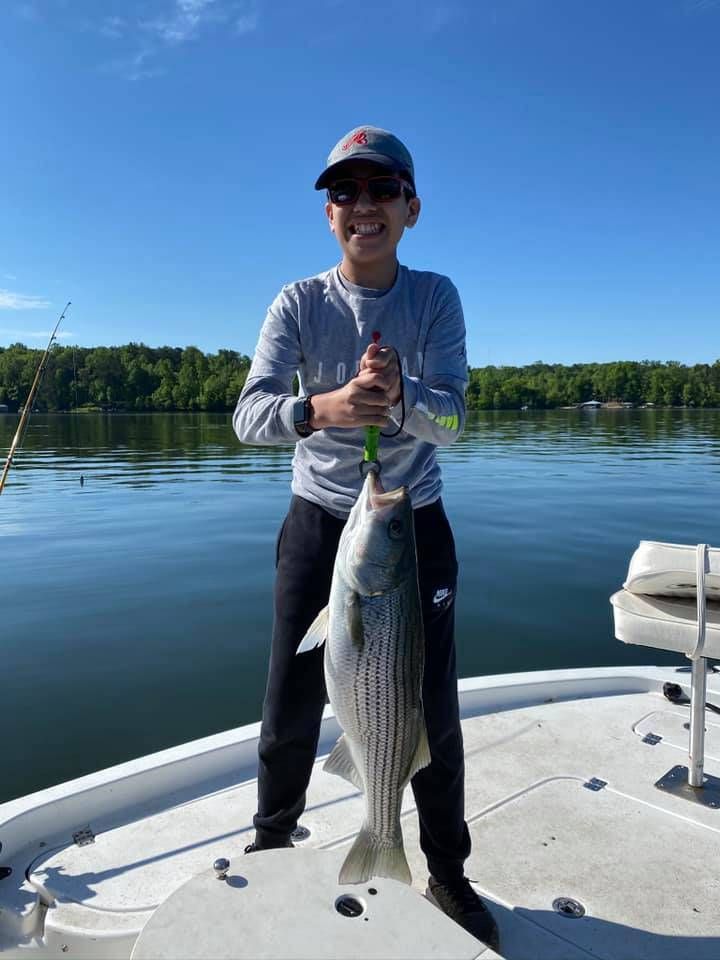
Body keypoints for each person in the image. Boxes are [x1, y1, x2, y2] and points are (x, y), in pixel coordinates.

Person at [233, 125, 498, 950]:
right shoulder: (297, 303)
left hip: (411, 523)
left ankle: (446, 872)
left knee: (433, 706)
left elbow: (453, 418)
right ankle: (274, 842)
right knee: (289, 695)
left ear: (411, 206)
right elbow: (249, 416)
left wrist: (404, 393)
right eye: (345, 192)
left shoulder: (435, 297)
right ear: (328, 213)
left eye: (381, 189)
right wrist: (325, 408)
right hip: (319, 525)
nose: (364, 206)